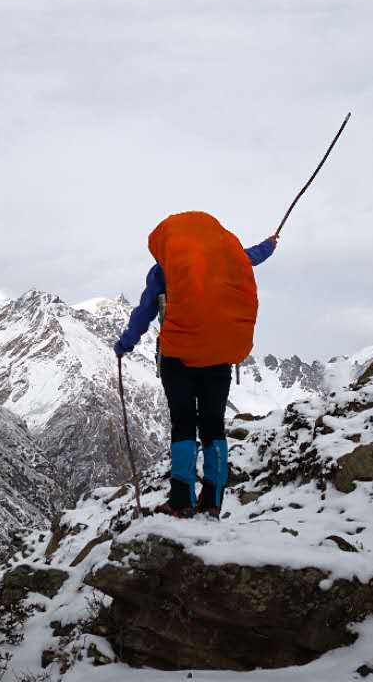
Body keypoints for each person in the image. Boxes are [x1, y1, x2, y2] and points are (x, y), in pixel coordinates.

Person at [113, 211, 278, 518]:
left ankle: (182, 499)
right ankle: (213, 500)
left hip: (179, 357)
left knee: (184, 423)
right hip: (218, 357)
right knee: (214, 426)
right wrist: (269, 244)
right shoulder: (229, 261)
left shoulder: (163, 270)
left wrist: (125, 345)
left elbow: (145, 312)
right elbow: (252, 256)